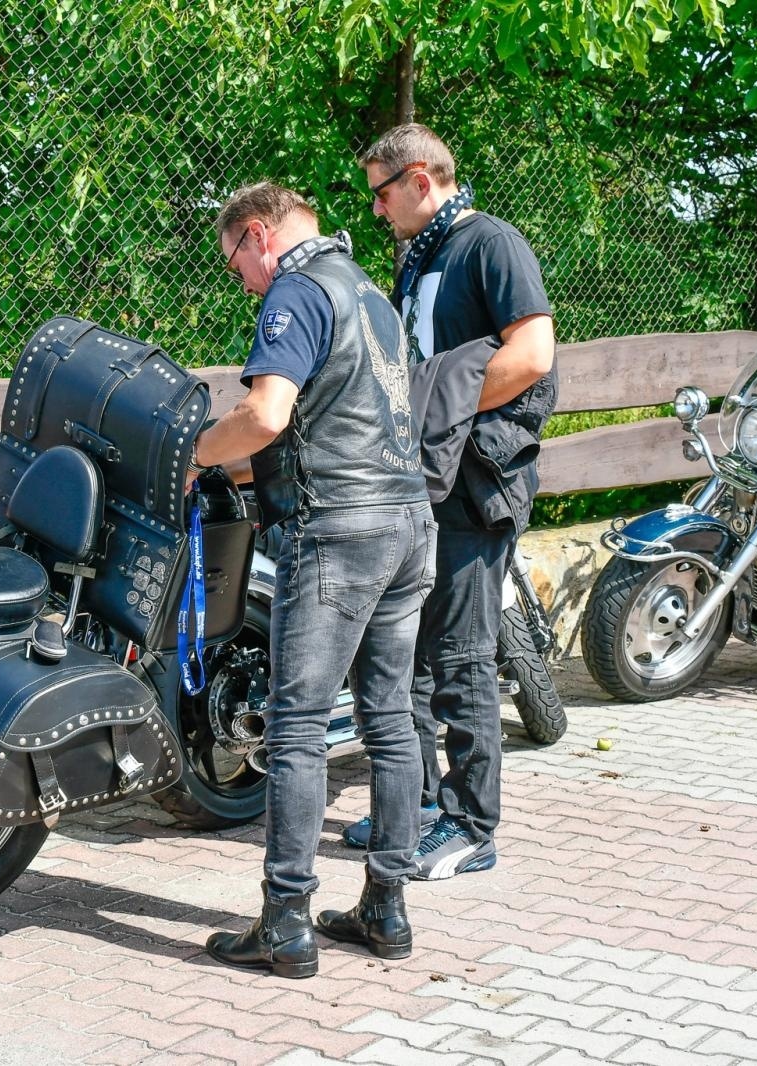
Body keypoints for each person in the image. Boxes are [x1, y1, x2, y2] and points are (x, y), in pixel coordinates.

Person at [191, 182, 434, 978]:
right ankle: (386, 909)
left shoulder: (297, 290)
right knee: (390, 718)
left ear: (258, 234)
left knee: (295, 726)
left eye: (237, 265)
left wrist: (195, 456)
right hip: (406, 522)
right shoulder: (370, 292)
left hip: (338, 526)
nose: (244, 282)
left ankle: (285, 923)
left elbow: (267, 416)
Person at [344, 123, 557, 880]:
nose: (376, 211)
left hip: (476, 488)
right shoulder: (422, 254)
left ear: (419, 181)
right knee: (410, 653)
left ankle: (470, 824)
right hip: (426, 482)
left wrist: (440, 415)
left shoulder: (489, 244)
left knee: (463, 655)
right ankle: (418, 803)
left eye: (381, 192)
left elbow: (533, 355)